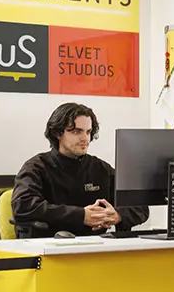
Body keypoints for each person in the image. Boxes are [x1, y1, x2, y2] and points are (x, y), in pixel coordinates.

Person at [10, 102, 148, 238]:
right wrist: (81, 216)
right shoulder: (36, 167)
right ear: (58, 133)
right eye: (77, 131)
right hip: (50, 247)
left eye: (88, 132)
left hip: (97, 249)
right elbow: (23, 206)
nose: (85, 138)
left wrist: (118, 215)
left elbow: (140, 207)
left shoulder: (100, 168)